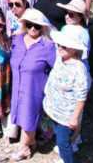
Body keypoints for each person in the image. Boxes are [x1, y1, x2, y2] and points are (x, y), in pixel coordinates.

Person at [9, 9, 57, 161]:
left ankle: (23, 148)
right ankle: (32, 143)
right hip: (17, 85)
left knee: (29, 115)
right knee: (19, 113)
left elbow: (56, 67)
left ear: (42, 27)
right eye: (29, 25)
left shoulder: (47, 46)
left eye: (36, 26)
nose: (33, 29)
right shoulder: (17, 40)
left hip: (35, 87)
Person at [43, 27, 90, 163]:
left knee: (63, 143)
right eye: (59, 44)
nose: (60, 48)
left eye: (64, 46)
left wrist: (74, 117)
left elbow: (81, 97)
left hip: (66, 115)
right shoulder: (60, 58)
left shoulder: (79, 70)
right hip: (54, 109)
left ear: (74, 49)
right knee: (59, 136)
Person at [59, 0, 92, 71]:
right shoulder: (64, 28)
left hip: (77, 67)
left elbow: (84, 54)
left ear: (81, 17)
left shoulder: (83, 32)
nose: (67, 17)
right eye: (65, 13)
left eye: (71, 15)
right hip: (63, 64)